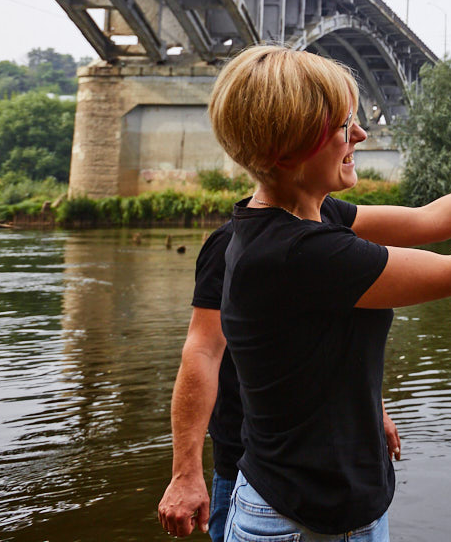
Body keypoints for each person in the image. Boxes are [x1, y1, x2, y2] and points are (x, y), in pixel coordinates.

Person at [205, 44, 451, 540]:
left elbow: (435, 220)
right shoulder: (299, 252)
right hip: (299, 521)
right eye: (345, 125)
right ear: (290, 148)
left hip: (339, 505)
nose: (362, 134)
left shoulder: (304, 214)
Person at [156, 198, 401, 540]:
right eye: (340, 139)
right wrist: (185, 471)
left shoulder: (335, 228)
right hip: (249, 465)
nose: (354, 143)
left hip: (337, 470)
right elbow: (203, 352)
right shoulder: (233, 243)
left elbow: (346, 341)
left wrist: (378, 411)